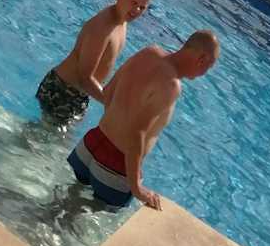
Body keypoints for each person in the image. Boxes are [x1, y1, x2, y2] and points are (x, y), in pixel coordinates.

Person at [68, 30, 219, 210]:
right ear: (201, 59)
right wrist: (137, 188)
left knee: (64, 204)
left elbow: (108, 93)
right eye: (208, 67)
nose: (205, 73)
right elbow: (136, 133)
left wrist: (116, 129)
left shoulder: (149, 52)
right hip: (115, 166)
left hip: (91, 143)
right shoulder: (171, 85)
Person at [36, 0, 153, 126]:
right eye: (134, 3)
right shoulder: (102, 27)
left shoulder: (122, 21)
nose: (136, 10)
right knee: (43, 137)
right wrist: (114, 106)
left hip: (79, 94)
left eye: (142, 8)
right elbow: (85, 78)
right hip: (62, 90)